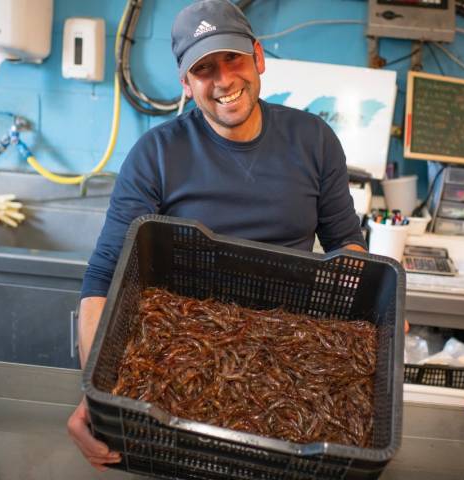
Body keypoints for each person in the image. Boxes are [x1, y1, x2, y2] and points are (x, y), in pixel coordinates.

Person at [67, 0, 366, 471]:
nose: (224, 80)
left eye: (233, 59)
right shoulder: (156, 155)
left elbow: (346, 246)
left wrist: (375, 316)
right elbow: (105, 275)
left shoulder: (314, 139)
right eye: (204, 69)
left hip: (290, 343)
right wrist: (96, 391)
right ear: (185, 83)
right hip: (181, 352)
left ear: (258, 57)